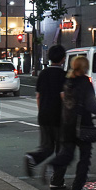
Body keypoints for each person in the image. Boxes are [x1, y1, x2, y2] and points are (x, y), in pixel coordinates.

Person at [49, 55, 96, 190]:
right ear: (84, 67)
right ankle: (77, 186)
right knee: (85, 156)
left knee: (66, 153)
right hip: (82, 124)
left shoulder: (68, 81)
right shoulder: (85, 82)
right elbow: (91, 102)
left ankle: (56, 180)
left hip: (67, 122)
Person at [24, 45, 67, 178]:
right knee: (62, 150)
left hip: (44, 115)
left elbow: (38, 96)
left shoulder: (43, 74)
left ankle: (33, 158)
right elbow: (63, 96)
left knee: (47, 147)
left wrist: (41, 110)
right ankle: (57, 180)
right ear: (63, 59)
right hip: (59, 117)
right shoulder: (63, 75)